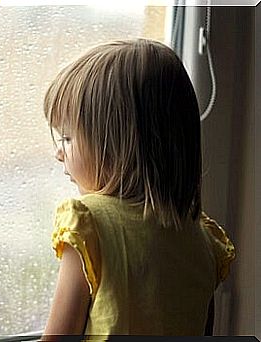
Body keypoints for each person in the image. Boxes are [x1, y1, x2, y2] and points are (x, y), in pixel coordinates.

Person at [41, 39, 235, 339]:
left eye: (67, 138)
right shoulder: (205, 243)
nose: (59, 152)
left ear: (114, 145)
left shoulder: (89, 225)